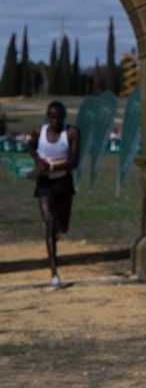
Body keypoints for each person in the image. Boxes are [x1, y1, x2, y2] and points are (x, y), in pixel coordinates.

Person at [28, 100, 80, 288]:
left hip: (64, 182)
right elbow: (31, 146)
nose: (55, 121)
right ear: (47, 117)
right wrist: (38, 163)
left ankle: (58, 230)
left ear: (64, 117)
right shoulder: (38, 131)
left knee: (62, 226)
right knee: (49, 223)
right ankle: (54, 274)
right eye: (52, 117)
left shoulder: (72, 132)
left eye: (59, 117)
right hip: (45, 184)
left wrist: (51, 166)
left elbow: (74, 161)